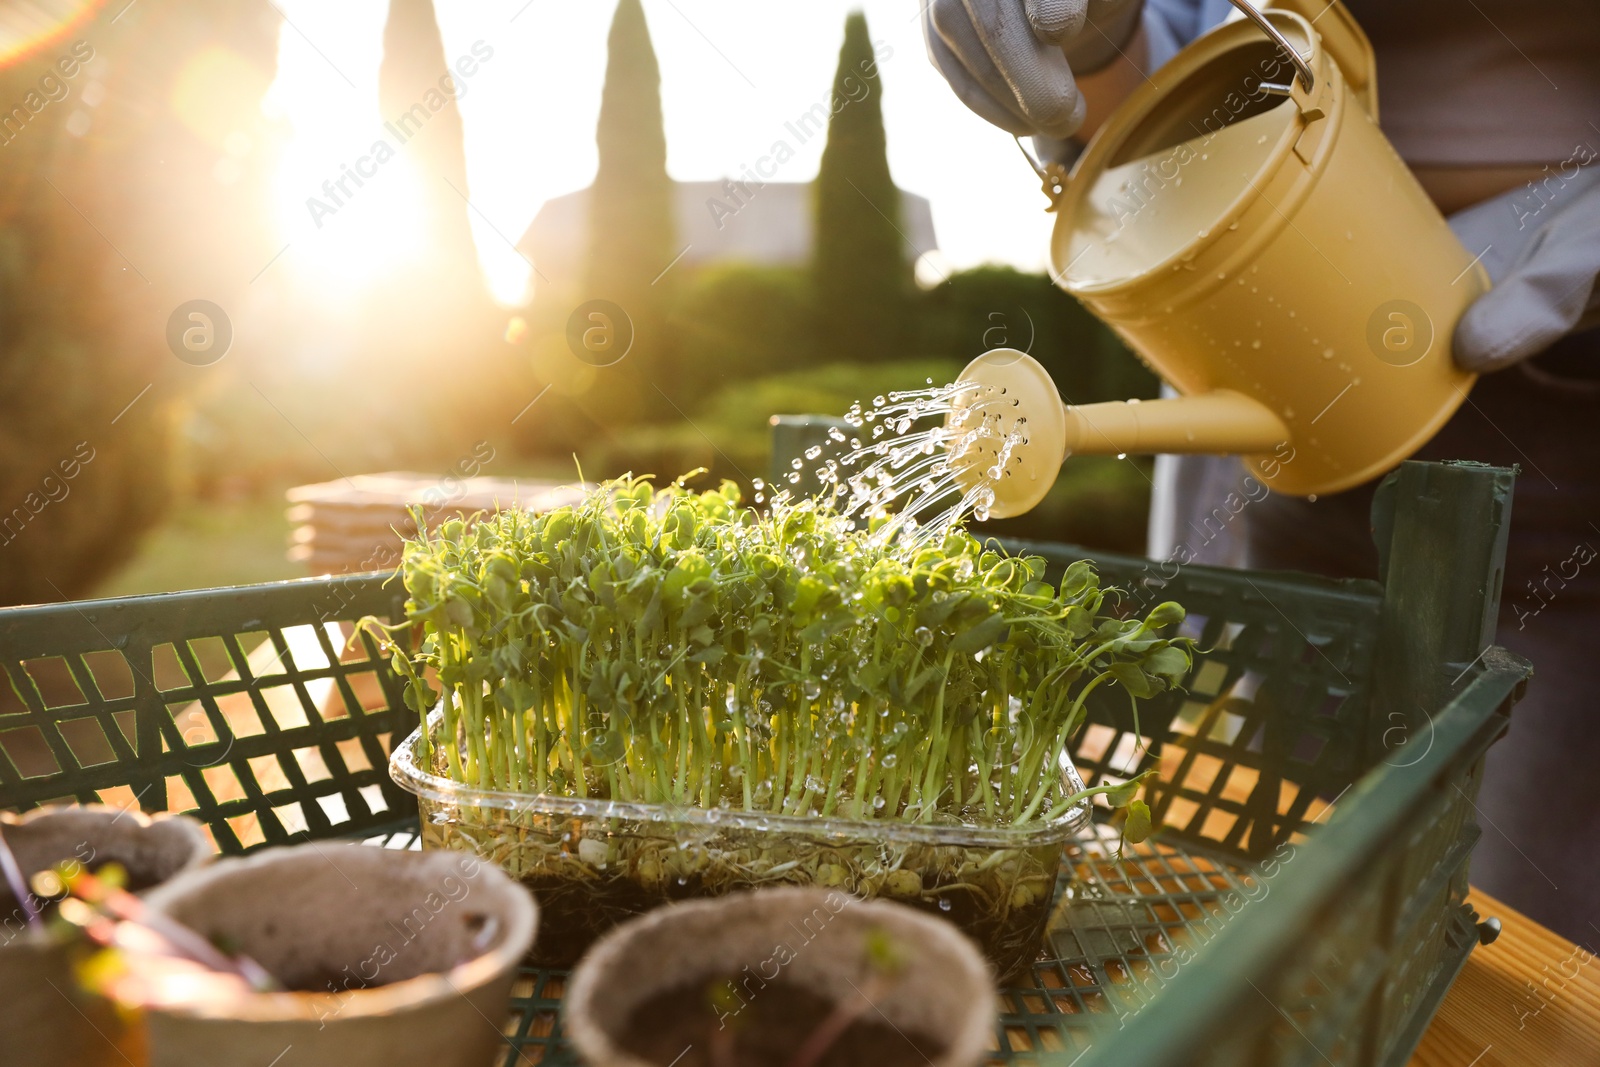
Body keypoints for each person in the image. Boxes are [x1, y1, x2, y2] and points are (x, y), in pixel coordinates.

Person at [924, 0, 1600, 944]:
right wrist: (1103, 42)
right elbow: (1153, 94)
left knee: (1517, 925)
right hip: (1273, 332)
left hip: (1567, 399)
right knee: (1298, 889)